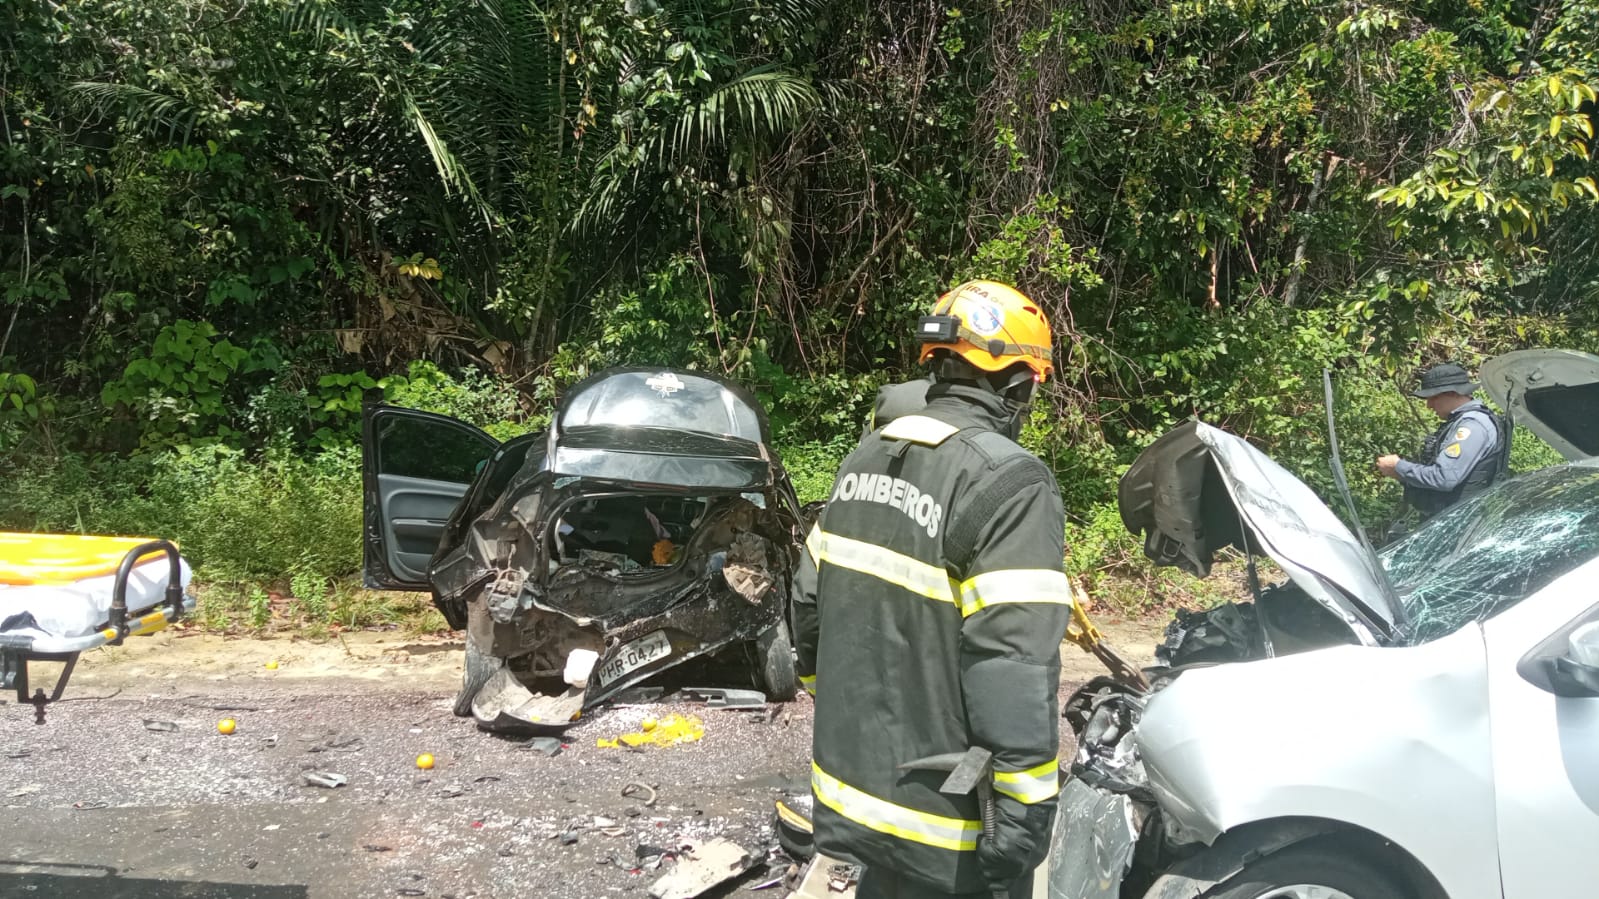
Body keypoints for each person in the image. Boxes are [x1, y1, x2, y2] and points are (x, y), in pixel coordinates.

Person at [792, 280, 1073, 899]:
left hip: (854, 800)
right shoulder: (1010, 483)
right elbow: (1012, 662)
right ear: (1019, 385)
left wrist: (842, 708)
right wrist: (1025, 811)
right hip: (952, 830)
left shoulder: (864, 459)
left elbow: (808, 610)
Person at [1376, 362, 1510, 519]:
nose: (1429, 405)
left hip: (1458, 523)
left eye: (1433, 397)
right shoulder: (1463, 421)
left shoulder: (1472, 426)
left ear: (1453, 393)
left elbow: (1445, 478)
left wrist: (1398, 466)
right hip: (1450, 521)